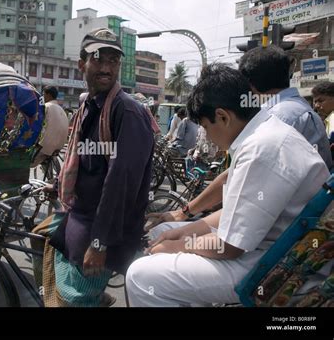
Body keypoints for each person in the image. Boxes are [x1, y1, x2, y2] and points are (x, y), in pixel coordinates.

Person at [125, 64, 329, 307]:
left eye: (205, 126)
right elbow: (238, 210)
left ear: (223, 116)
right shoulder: (267, 134)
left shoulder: (261, 148)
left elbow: (230, 246)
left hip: (274, 265)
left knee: (141, 275)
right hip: (270, 247)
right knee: (161, 232)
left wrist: (179, 244)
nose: (207, 135)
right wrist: (181, 231)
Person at [41, 28, 153, 307]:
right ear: (82, 64)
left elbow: (121, 184)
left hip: (99, 232)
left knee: (71, 302)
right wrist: (56, 186)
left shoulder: (125, 112)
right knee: (40, 241)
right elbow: (79, 162)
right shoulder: (88, 107)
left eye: (113, 61)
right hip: (77, 217)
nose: (106, 68)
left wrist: (100, 242)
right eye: (98, 59)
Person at [31, 86, 69, 167]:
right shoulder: (61, 109)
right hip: (60, 146)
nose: (43, 96)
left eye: (44, 94)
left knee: (27, 162)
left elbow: (38, 124)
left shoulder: (46, 106)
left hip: (46, 146)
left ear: (48, 95)